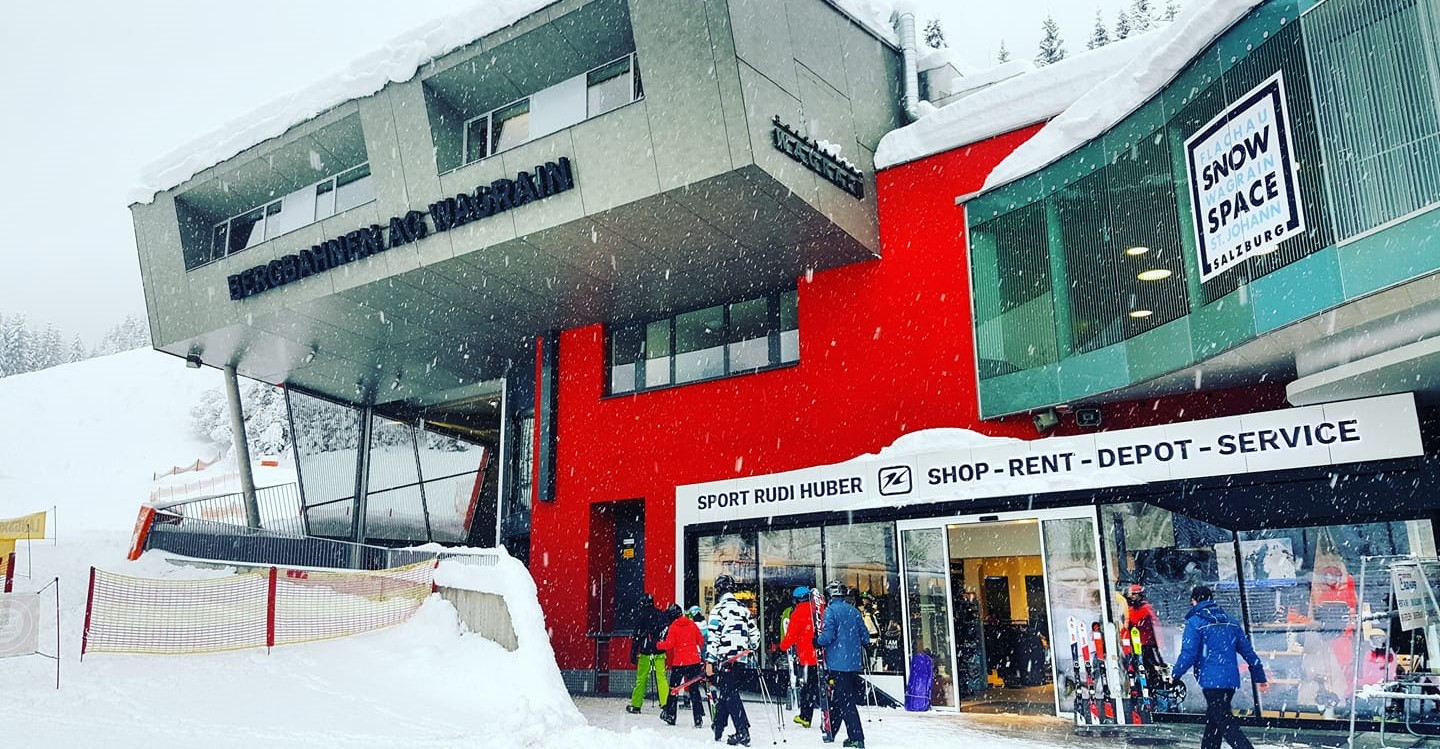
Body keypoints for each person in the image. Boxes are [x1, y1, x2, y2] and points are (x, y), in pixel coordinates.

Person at [1171, 586, 1268, 749]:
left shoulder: (1195, 623)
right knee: (1214, 723)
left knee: (1225, 723)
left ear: (1194, 601)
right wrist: (1260, 676)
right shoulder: (1231, 622)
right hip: (1230, 682)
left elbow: (1188, 654)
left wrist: (1175, 674)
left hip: (1211, 682)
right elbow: (1248, 652)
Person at [815, 580, 871, 749]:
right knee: (842, 699)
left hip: (838, 664)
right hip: (853, 663)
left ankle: (856, 737)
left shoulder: (830, 611)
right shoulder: (854, 611)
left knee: (846, 702)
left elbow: (828, 635)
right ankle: (833, 730)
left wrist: (817, 641)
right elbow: (865, 637)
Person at [706, 574, 759, 746]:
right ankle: (718, 726)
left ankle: (742, 731)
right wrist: (750, 646)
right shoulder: (743, 609)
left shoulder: (718, 610)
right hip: (741, 659)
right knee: (728, 691)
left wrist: (709, 661)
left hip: (725, 658)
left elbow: (713, 638)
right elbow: (755, 637)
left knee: (729, 694)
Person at [659, 603, 707, 728]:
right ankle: (698, 719)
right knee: (694, 690)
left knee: (673, 689)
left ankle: (671, 715)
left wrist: (657, 645)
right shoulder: (692, 624)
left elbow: (669, 644)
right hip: (694, 662)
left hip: (679, 663)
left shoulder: (673, 627)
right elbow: (701, 641)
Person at [779, 586, 819, 728]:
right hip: (821, 655)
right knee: (820, 687)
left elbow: (791, 635)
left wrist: (781, 648)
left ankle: (805, 717)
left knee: (807, 688)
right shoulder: (817, 609)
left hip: (807, 657)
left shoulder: (798, 613)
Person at [628, 593, 670, 715]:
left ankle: (636, 705)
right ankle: (666, 704)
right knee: (661, 678)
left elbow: (636, 637)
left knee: (641, 679)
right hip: (659, 651)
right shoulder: (661, 615)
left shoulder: (641, 616)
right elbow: (666, 631)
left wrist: (633, 652)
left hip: (645, 652)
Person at [1124, 584, 1168, 683]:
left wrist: (1160, 643)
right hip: (1137, 645)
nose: (1133, 597)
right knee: (1140, 667)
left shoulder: (1146, 608)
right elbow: (1127, 628)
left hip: (1148, 645)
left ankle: (1155, 683)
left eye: (1135, 595)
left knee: (1151, 667)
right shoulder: (1130, 610)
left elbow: (1156, 626)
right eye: (1132, 595)